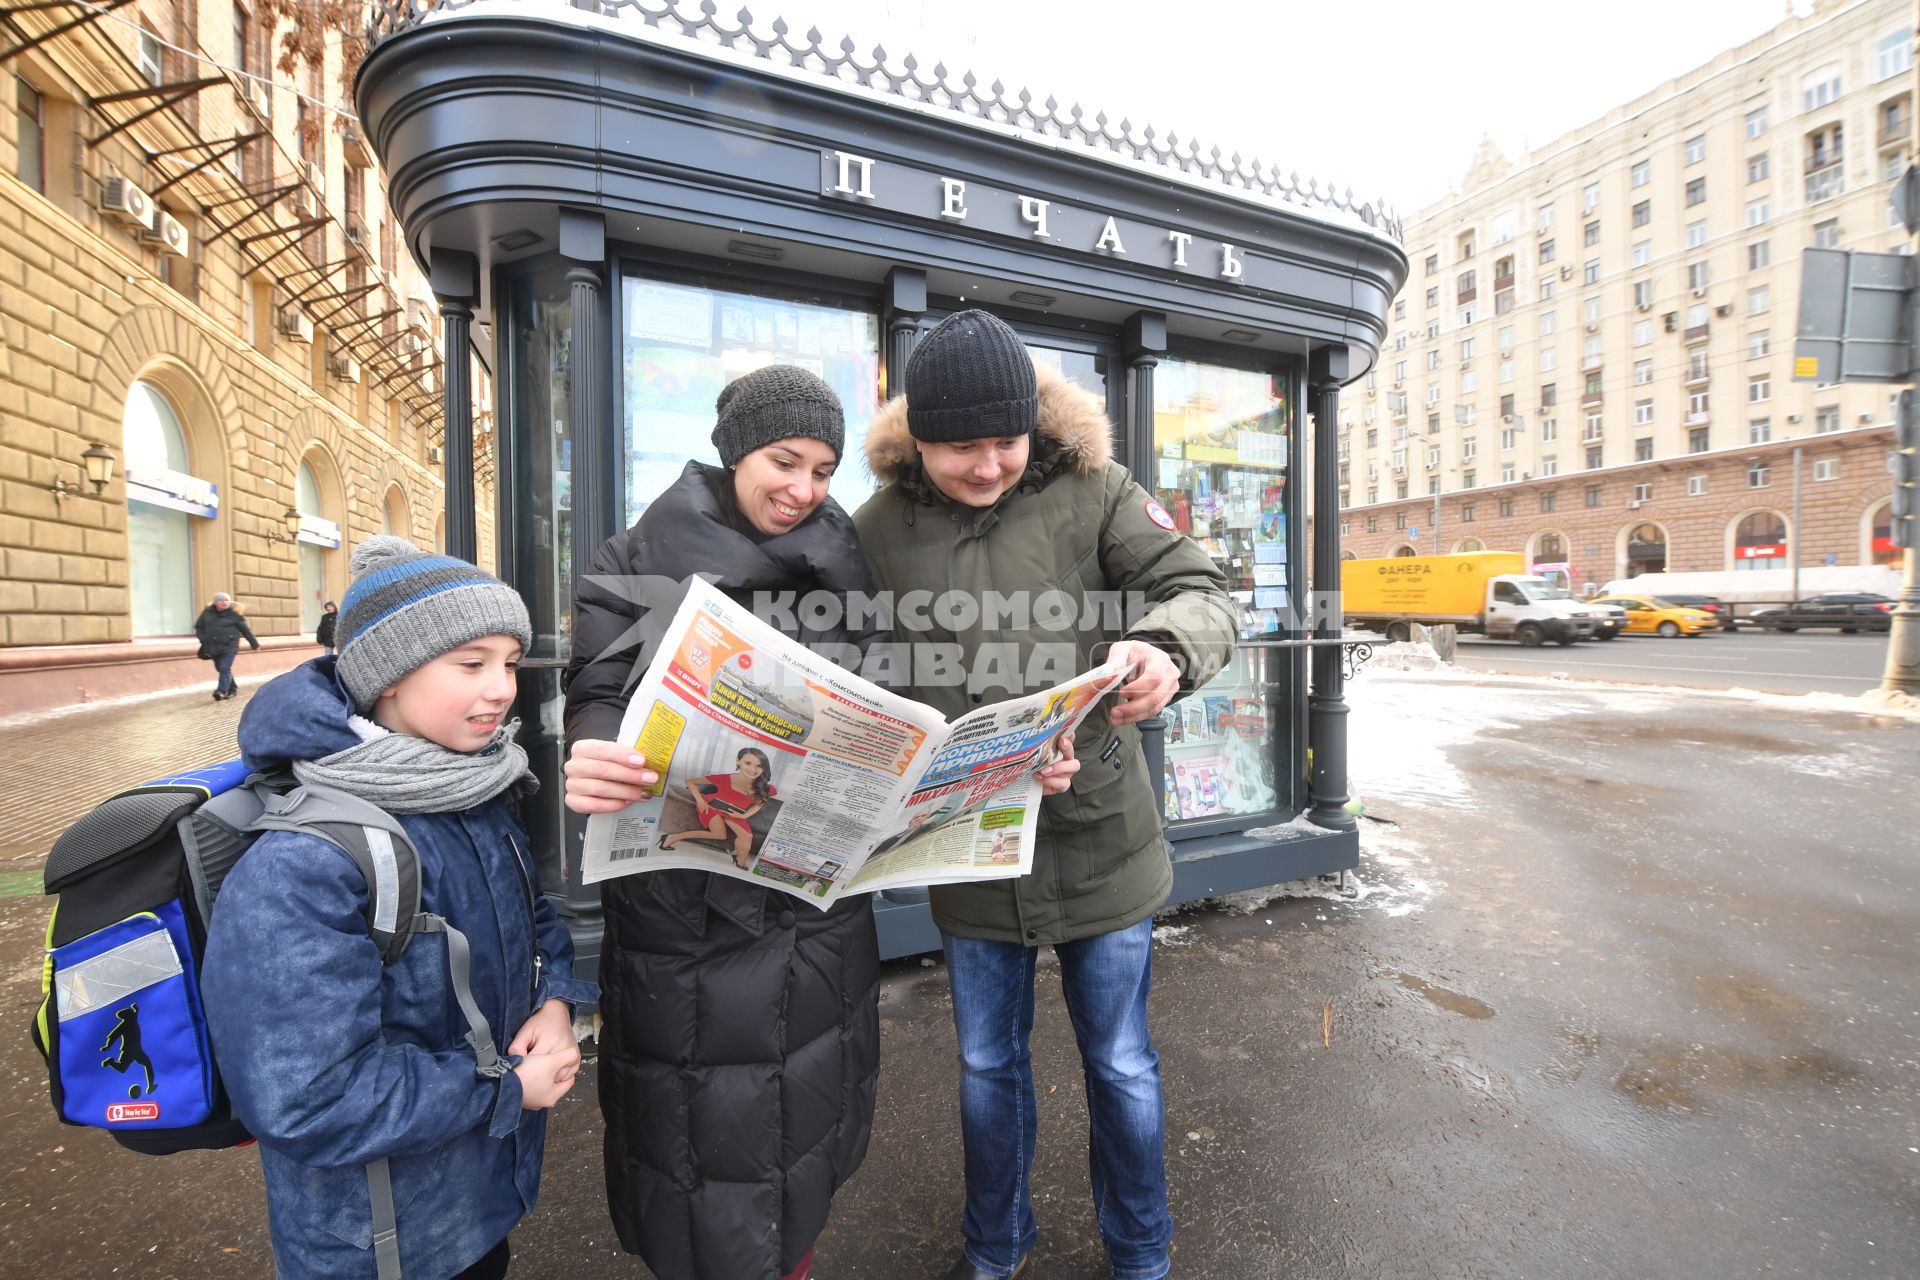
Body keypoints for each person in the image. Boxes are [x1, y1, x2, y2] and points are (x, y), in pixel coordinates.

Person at [566, 364, 986, 1280]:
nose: (803, 490)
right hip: (684, 917)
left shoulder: (847, 566)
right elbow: (595, 687)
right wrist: (596, 746)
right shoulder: (634, 559)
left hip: (813, 919)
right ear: (734, 452)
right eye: (784, 461)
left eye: (825, 470)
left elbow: (883, 701)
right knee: (693, 1159)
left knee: (799, 1144)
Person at [853, 310, 1236, 1280]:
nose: (987, 466)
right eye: (959, 447)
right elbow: (844, 659)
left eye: (1005, 442)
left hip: (1100, 829)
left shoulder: (1097, 489)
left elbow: (1201, 587)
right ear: (917, 440)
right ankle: (995, 1246)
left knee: (1120, 1062)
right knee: (986, 1066)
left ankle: (1142, 1253)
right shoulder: (872, 528)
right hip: (971, 843)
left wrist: (1168, 648)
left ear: (1034, 424)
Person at [201, 536, 596, 1280]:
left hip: (474, 1202)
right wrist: (505, 1090)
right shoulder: (307, 862)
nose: (503, 688)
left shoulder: (467, 787)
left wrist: (553, 1000)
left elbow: (530, 918)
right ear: (388, 677)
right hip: (376, 1247)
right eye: (471, 663)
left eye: (510, 662)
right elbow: (307, 1099)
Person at [661, 746, 776, 868]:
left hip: (734, 812)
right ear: (738, 761)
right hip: (712, 806)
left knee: (747, 836)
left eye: (759, 765)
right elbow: (690, 781)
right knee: (720, 834)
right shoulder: (725, 779)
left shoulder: (765, 788)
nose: (753, 769)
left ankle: (740, 861)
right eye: (748, 763)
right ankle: (672, 837)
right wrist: (700, 801)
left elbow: (759, 803)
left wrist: (744, 815)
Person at [194, 591, 258, 700]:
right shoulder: (207, 613)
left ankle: (221, 691)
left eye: (226, 600)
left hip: (229, 646)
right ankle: (232, 689)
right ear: (215, 603)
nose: (224, 602)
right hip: (212, 647)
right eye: (221, 600)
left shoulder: (234, 614)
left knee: (224, 667)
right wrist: (203, 639)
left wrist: (254, 644)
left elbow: (245, 630)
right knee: (222, 669)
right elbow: (199, 627)